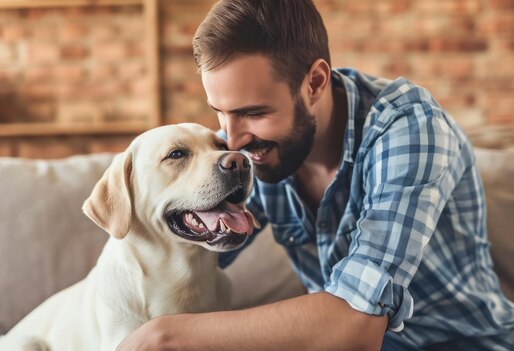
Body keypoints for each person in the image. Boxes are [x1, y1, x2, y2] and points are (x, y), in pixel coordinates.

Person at [117, 1, 514, 350]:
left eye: (254, 112)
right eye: (221, 112)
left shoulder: (410, 130)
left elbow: (356, 325)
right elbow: (168, 245)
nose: (232, 140)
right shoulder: (249, 151)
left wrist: (167, 337)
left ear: (315, 83)